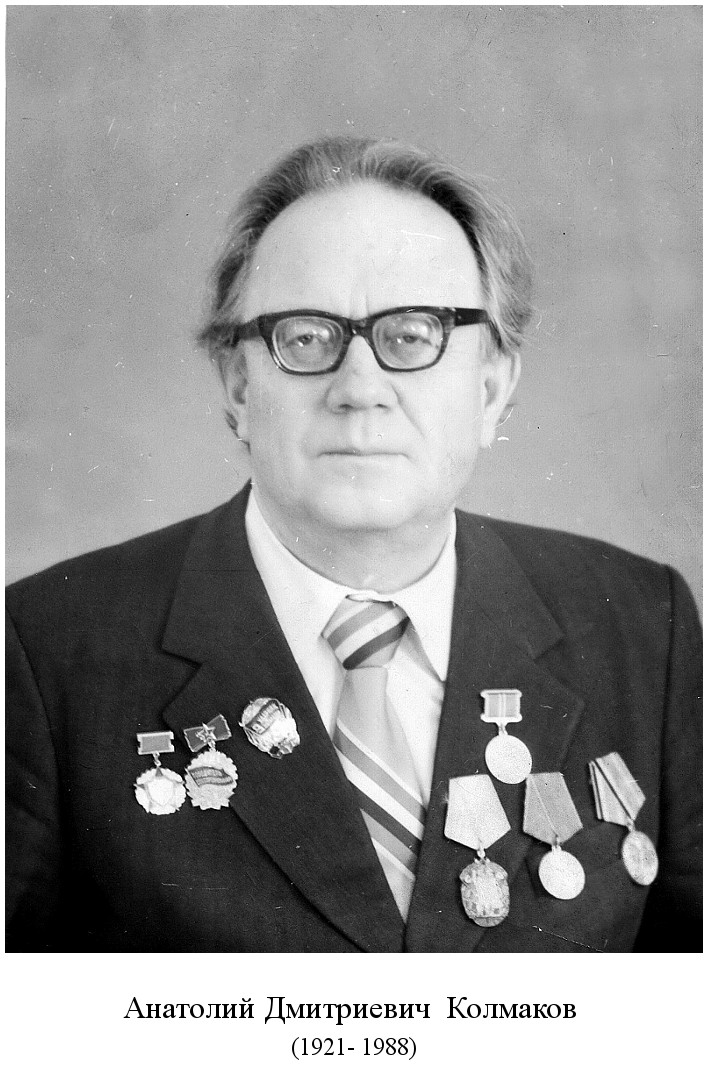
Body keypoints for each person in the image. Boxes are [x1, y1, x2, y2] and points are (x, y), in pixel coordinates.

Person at [6, 136, 701, 953]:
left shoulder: (641, 625)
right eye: (305, 338)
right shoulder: (43, 651)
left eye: (414, 334)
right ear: (238, 386)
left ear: (491, 388)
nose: (360, 389)